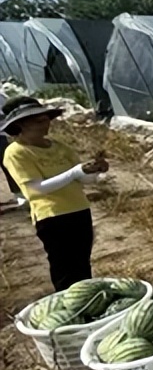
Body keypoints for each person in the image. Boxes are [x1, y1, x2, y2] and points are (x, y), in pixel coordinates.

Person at [0, 96, 107, 291]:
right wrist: (75, 172)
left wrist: (95, 171)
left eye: (46, 119)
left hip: (79, 210)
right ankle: (69, 305)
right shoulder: (17, 152)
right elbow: (36, 189)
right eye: (38, 121)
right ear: (21, 124)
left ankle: (87, 301)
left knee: (82, 265)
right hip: (52, 217)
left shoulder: (59, 147)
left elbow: (83, 180)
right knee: (64, 269)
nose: (45, 124)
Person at [0, 89, 27, 208]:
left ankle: (20, 194)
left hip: (1, 135)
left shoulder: (1, 96)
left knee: (9, 166)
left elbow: (9, 112)